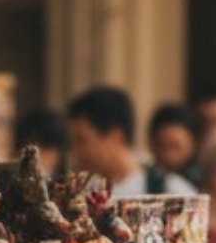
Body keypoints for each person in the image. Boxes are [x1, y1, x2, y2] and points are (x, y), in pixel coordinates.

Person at [65, 85, 194, 198]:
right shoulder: (83, 194)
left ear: (115, 136)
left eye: (82, 140)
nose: (76, 152)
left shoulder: (171, 191)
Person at [147, 103, 201, 186]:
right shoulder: (143, 181)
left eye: (176, 147)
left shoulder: (203, 182)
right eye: (162, 146)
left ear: (194, 145)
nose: (168, 156)